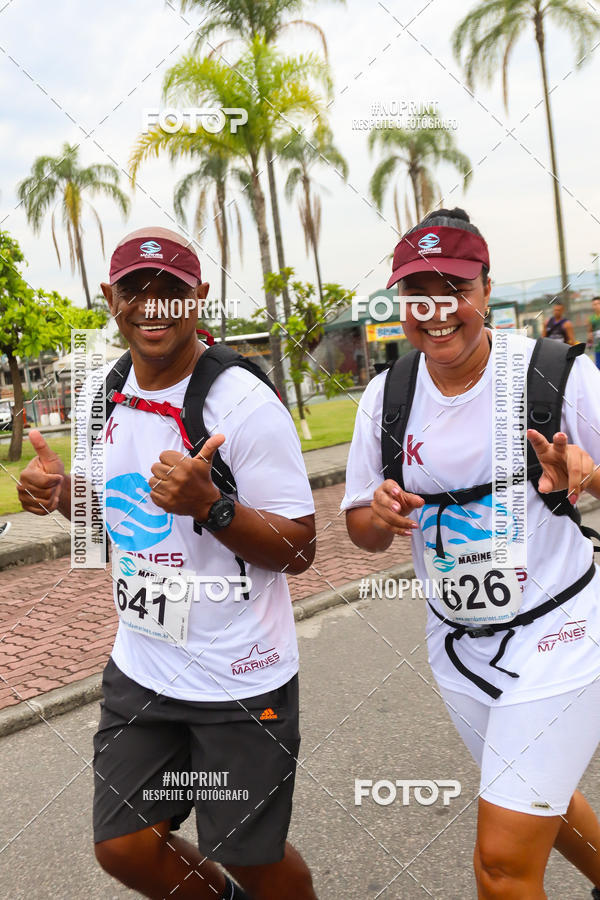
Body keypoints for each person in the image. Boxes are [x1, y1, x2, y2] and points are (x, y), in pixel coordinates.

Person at [17, 226, 318, 900]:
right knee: (122, 847)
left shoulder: (243, 403)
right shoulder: (103, 395)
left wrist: (213, 506)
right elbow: (107, 518)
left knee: (251, 859)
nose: (153, 306)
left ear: (200, 298)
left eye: (172, 292)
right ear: (110, 298)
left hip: (240, 676)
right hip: (144, 668)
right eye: (136, 291)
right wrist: (59, 494)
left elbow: (301, 549)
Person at [342, 208, 600, 899]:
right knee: (539, 800)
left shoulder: (552, 374)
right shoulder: (386, 396)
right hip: (458, 645)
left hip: (560, 632)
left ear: (485, 289)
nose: (436, 309)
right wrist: (380, 514)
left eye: (453, 287)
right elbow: (359, 530)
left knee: (502, 865)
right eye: (417, 291)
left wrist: (587, 472)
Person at [587, 296, 600, 368]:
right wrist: (589, 344)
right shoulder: (591, 318)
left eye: (598, 303)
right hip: (598, 347)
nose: (597, 306)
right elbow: (590, 332)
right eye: (594, 304)